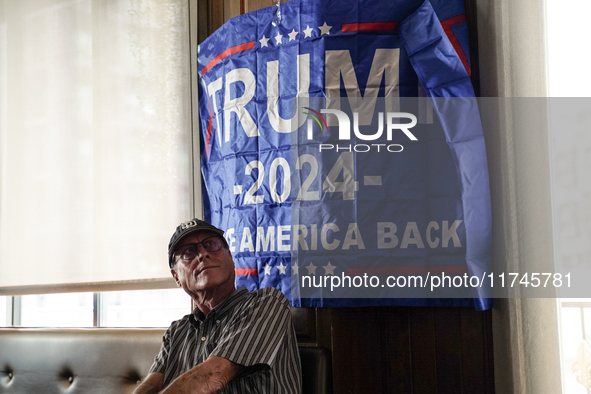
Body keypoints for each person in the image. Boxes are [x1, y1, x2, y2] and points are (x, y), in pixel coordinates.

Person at [134, 219, 302, 394]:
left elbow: (213, 377)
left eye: (211, 244)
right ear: (176, 276)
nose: (202, 254)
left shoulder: (267, 303)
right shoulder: (177, 331)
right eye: (189, 252)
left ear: (230, 257)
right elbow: (151, 385)